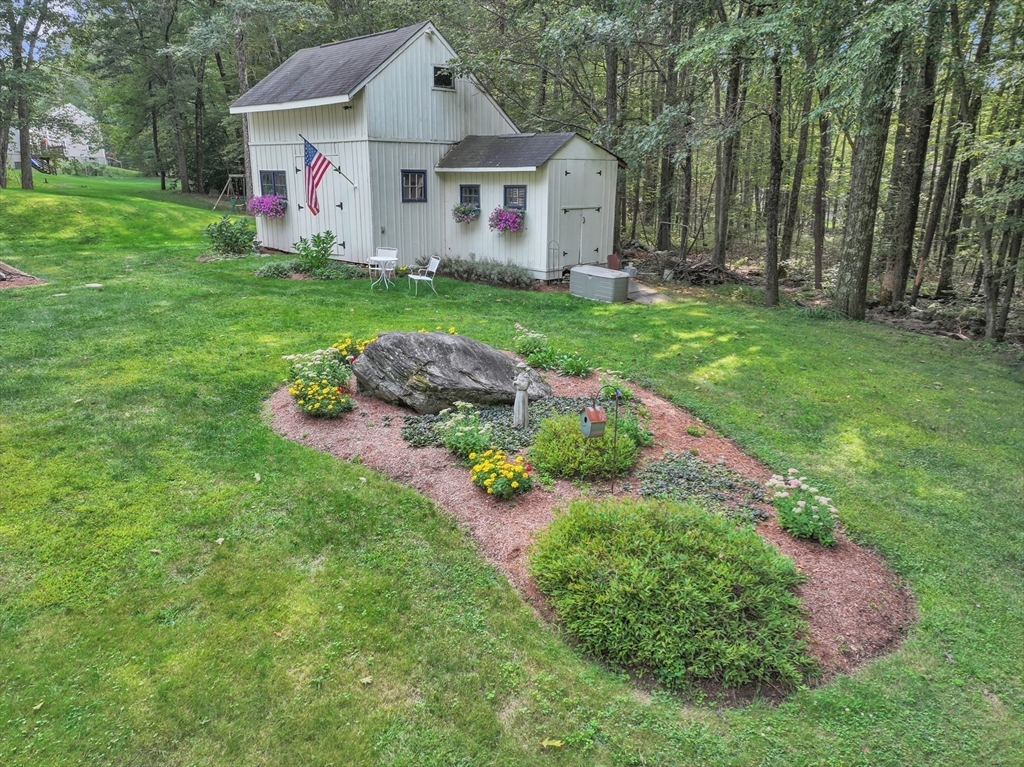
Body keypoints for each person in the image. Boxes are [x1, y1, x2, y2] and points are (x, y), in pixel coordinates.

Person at [513, 362, 530, 429]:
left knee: (522, 408)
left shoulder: (526, 376)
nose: (518, 369)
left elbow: (525, 386)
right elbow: (517, 382)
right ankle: (517, 422)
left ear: (521, 368)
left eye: (519, 368)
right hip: (518, 392)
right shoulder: (520, 375)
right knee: (517, 407)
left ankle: (522, 423)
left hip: (523, 393)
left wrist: (518, 383)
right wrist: (515, 381)